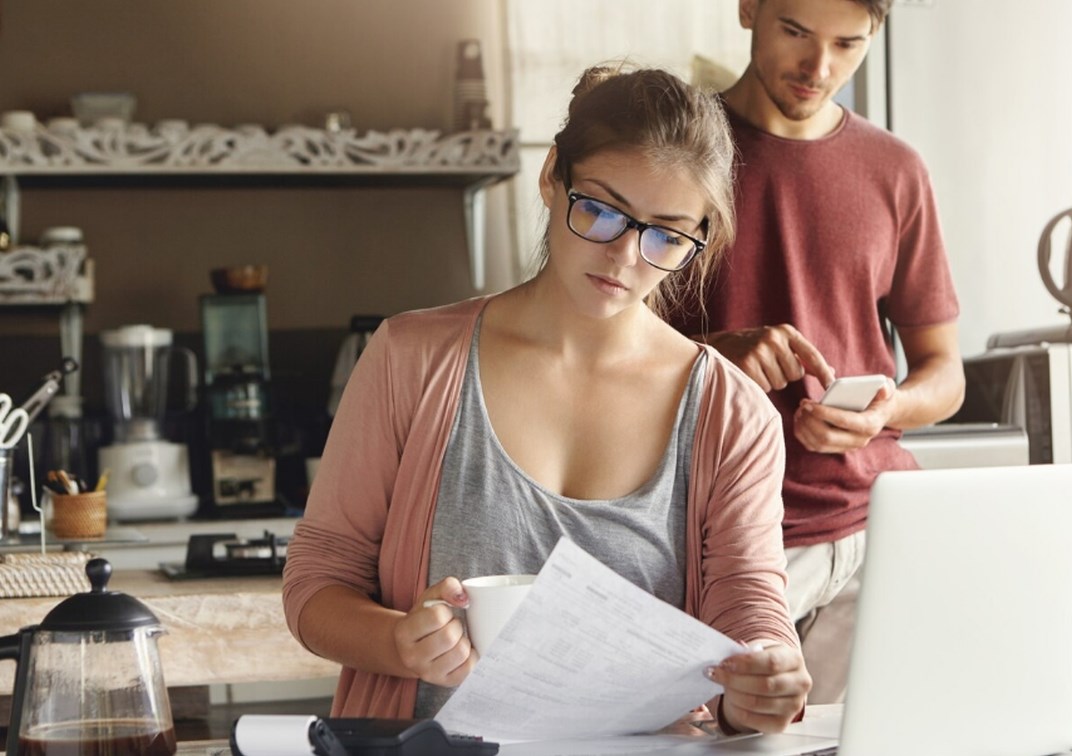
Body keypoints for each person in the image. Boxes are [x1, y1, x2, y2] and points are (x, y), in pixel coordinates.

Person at [283, 64, 812, 734]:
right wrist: (397, 643)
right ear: (550, 176)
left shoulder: (732, 415)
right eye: (599, 209)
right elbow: (313, 586)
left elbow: (750, 605)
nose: (624, 255)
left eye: (666, 235)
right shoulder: (409, 359)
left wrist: (763, 677)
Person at [668, 0, 965, 702]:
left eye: (848, 44)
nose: (819, 68)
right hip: (720, 540)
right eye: (796, 33)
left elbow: (944, 372)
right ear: (749, 9)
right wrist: (712, 357)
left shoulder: (895, 169)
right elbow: (594, 354)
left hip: (877, 528)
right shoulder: (674, 154)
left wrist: (889, 407)